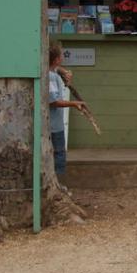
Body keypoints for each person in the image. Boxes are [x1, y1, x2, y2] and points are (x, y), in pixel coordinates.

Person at [49, 44, 87, 183]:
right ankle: (57, 183)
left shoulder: (53, 73)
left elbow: (55, 69)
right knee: (59, 154)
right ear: (56, 59)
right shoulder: (51, 78)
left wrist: (63, 71)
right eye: (60, 56)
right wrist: (74, 104)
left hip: (54, 124)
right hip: (53, 126)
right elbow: (53, 101)